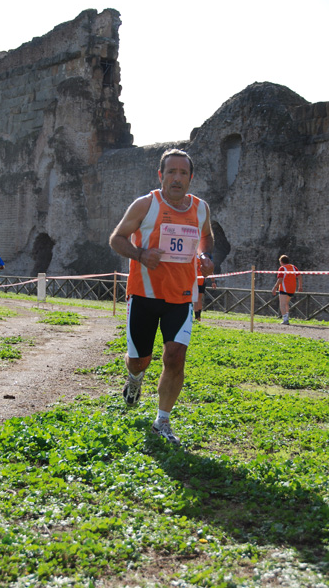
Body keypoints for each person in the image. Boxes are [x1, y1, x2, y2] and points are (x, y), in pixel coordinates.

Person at [109, 149, 214, 445]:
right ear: (161, 175)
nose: (177, 178)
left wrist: (205, 255)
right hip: (143, 295)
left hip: (181, 297)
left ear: (191, 178)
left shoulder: (201, 208)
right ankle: (135, 378)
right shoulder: (146, 205)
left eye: (183, 173)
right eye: (171, 172)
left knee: (175, 356)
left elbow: (206, 237)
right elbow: (116, 239)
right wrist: (141, 254)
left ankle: (162, 421)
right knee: (140, 360)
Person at [271, 254, 303, 325]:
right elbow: (300, 277)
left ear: (281, 262)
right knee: (286, 303)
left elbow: (280, 279)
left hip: (284, 288)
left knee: (282, 304)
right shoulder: (294, 267)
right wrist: (300, 286)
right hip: (292, 289)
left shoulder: (282, 268)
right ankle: (287, 318)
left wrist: (275, 287)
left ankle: (285, 320)